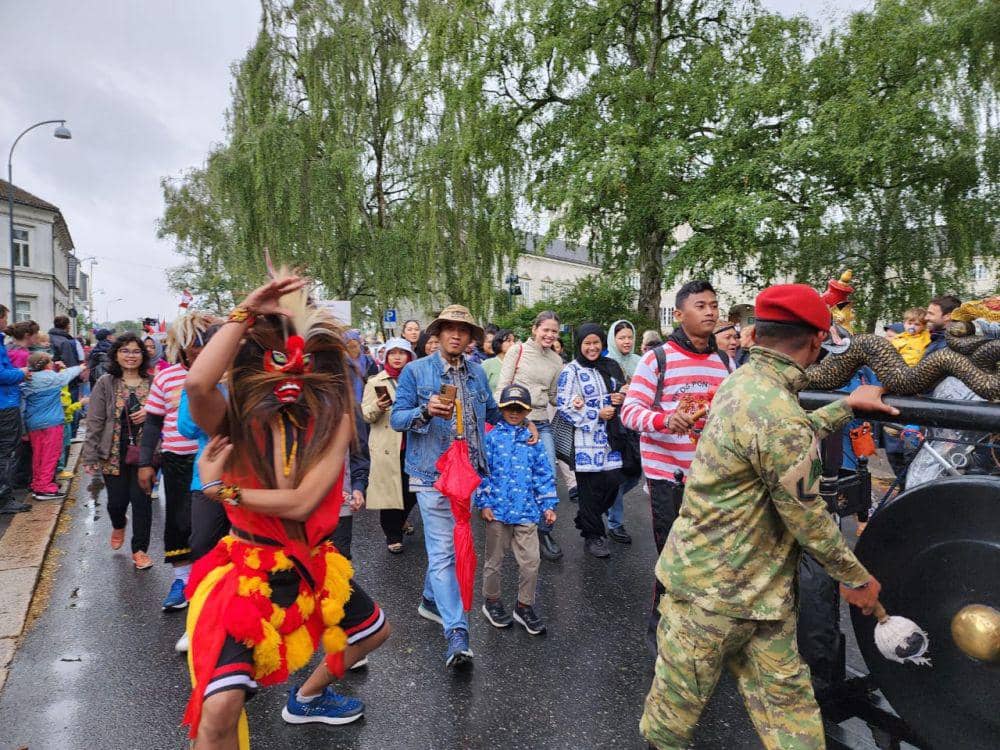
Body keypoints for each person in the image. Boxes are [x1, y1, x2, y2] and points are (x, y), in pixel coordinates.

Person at [640, 284, 896, 750]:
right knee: (775, 724)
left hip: (731, 596)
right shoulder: (778, 412)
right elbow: (809, 517)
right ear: (818, 341)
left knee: (676, 724)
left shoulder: (742, 383)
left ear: (756, 333)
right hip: (718, 600)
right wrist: (856, 579)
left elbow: (774, 442)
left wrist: (843, 407)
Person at [182, 275, 390, 745]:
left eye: (305, 362)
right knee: (219, 709)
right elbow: (197, 383)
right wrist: (245, 311)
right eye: (278, 359)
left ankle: (308, 698)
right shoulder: (234, 420)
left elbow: (301, 503)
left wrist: (225, 492)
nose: (291, 373)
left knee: (372, 633)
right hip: (248, 573)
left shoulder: (333, 423)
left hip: (311, 565)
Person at [391, 304, 534, 668]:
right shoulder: (415, 372)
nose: (456, 335)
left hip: (468, 475)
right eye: (449, 329)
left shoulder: (475, 374)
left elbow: (489, 415)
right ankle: (457, 633)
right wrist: (425, 412)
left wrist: (523, 423)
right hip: (431, 474)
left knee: (448, 545)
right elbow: (397, 418)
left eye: (463, 330)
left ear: (472, 338)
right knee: (443, 551)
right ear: (437, 334)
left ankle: (429, 599)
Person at [621, 281, 731, 632]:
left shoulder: (725, 361)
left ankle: (699, 627)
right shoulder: (658, 358)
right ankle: (663, 628)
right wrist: (665, 420)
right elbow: (630, 412)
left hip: (711, 478)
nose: (710, 311)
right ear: (680, 315)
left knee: (709, 556)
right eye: (701, 306)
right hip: (668, 476)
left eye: (714, 305)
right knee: (673, 556)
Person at [138, 312, 217, 612]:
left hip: (215, 458)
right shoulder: (166, 375)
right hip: (178, 458)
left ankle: (213, 581)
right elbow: (154, 423)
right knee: (179, 521)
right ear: (181, 346)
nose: (199, 349)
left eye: (204, 342)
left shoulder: (227, 373)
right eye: (193, 343)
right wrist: (147, 462)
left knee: (209, 526)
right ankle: (182, 580)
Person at [477, 384, 558, 635]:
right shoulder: (491, 439)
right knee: (494, 561)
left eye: (520, 408)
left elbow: (543, 474)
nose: (514, 412)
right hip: (498, 511)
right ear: (501, 409)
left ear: (527, 411)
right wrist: (484, 502)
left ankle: (524, 606)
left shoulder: (532, 441)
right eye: (509, 408)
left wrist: (548, 504)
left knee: (531, 562)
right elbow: (482, 472)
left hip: (526, 511)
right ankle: (491, 601)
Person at [81, 333, 156, 569]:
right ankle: (118, 523)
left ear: (143, 355)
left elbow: (169, 412)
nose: (130, 356)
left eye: (136, 351)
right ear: (116, 354)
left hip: (146, 451)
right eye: (125, 351)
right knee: (117, 502)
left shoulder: (154, 382)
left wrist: (150, 412)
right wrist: (90, 454)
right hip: (113, 450)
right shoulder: (106, 382)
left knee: (142, 501)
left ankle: (140, 550)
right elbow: (95, 420)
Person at [496, 311, 565, 561]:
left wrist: (580, 403)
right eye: (545, 329)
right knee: (514, 475)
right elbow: (502, 388)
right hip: (513, 419)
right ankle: (512, 527)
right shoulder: (518, 351)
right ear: (534, 329)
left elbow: (555, 396)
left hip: (542, 421)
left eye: (554, 331)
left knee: (546, 472)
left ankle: (544, 530)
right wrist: (519, 420)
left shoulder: (557, 361)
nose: (549, 335)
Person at [556, 323, 628, 558]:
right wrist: (595, 414)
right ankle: (594, 536)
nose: (592, 347)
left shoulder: (610, 365)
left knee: (613, 483)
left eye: (596, 342)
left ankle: (587, 518)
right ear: (579, 345)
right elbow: (565, 405)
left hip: (611, 438)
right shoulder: (572, 371)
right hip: (585, 440)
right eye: (587, 343)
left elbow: (621, 391)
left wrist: (620, 396)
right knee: (589, 490)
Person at [361, 337, 418, 553]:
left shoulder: (415, 379)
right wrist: (377, 406)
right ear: (386, 356)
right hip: (387, 445)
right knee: (389, 494)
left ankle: (401, 519)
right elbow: (366, 414)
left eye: (401, 353)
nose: (397, 357)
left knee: (410, 491)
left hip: (412, 443)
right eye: (392, 353)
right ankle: (393, 535)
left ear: (409, 357)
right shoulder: (375, 382)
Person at [22, 352, 85, 500]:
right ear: (47, 364)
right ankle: (45, 488)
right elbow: (67, 375)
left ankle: (37, 484)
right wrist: (80, 367)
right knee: (51, 455)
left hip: (33, 424)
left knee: (38, 455)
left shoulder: (27, 379)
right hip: (52, 423)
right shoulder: (53, 378)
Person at [604, 319, 643, 544]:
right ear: (613, 339)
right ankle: (615, 523)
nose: (627, 341)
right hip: (614, 427)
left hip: (636, 426)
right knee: (619, 475)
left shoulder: (640, 361)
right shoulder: (606, 362)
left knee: (635, 474)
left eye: (629, 337)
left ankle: (607, 500)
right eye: (621, 337)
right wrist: (618, 390)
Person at [482, 328, 515, 392]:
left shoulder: (517, 364)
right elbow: (479, 389)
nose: (513, 344)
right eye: (508, 341)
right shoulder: (488, 364)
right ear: (499, 343)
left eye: (513, 341)